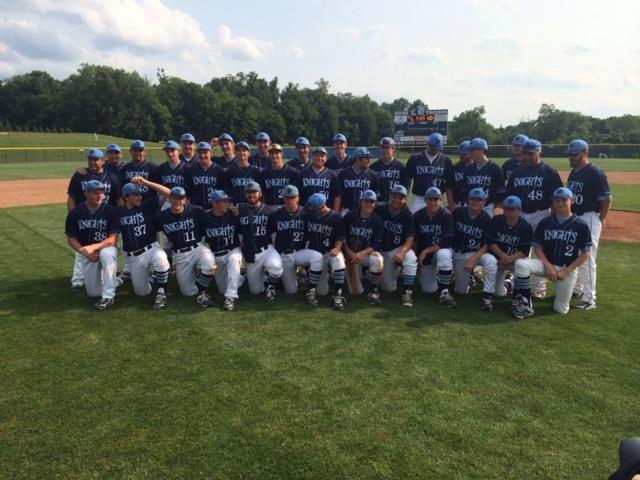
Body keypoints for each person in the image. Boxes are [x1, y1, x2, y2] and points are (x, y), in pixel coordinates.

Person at [511, 188, 592, 318]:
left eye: (563, 200)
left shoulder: (581, 225)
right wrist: (548, 266)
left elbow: (585, 254)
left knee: (560, 309)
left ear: (571, 201)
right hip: (546, 266)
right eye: (556, 200)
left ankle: (565, 294)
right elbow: (537, 247)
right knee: (521, 264)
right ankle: (524, 302)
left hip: (566, 270)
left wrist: (567, 271)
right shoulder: (545, 222)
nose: (560, 203)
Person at [507, 138, 563, 300]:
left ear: (539, 152)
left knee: (541, 251)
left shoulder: (549, 172)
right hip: (521, 214)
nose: (528, 156)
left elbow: (557, 198)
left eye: (531, 153)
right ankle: (518, 283)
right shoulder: (517, 172)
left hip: (541, 213)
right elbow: (510, 195)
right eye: (526, 153)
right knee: (519, 249)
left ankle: (539, 288)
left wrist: (553, 217)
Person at [565, 139, 612, 310]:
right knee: (576, 255)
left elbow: (606, 199)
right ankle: (577, 289)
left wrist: (601, 219)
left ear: (585, 153)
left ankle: (590, 298)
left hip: (589, 217)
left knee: (588, 257)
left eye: (574, 154)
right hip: (576, 218)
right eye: (569, 155)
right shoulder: (574, 172)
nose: (571, 158)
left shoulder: (595, 172)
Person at [67, 148, 122, 290]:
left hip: (107, 217)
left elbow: (118, 199)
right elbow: (71, 197)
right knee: (83, 247)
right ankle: (77, 279)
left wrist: (119, 218)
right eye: (90, 159)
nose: (92, 162)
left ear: (103, 161)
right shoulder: (80, 175)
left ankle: (109, 277)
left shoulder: (111, 177)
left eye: (96, 159)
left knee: (106, 249)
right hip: (84, 215)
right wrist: (73, 216)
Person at [155, 187, 217, 308]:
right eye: (174, 197)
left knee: (210, 263)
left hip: (197, 248)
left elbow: (213, 216)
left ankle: (202, 292)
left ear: (185, 200)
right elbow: (153, 229)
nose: (177, 201)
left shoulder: (195, 211)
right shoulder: (162, 216)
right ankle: (199, 280)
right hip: (179, 254)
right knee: (187, 292)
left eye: (180, 198)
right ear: (169, 198)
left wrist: (231, 209)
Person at [116, 178, 171, 309]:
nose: (139, 197)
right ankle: (153, 279)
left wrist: (145, 183)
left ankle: (161, 292)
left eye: (140, 194)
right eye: (135, 195)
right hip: (134, 256)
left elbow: (168, 193)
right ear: (125, 197)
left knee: (161, 259)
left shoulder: (147, 206)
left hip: (151, 248)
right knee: (141, 292)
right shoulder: (118, 212)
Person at [65, 180, 120, 310]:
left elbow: (112, 239)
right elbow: (71, 239)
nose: (100, 196)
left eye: (102, 193)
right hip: (88, 254)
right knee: (93, 293)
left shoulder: (111, 211)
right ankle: (115, 280)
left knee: (107, 254)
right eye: (96, 193)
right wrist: (84, 252)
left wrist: (92, 247)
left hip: (106, 248)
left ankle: (108, 297)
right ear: (86, 194)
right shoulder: (75, 213)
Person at [268, 185, 321, 294]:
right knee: (291, 291)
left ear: (298, 198)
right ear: (283, 199)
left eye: (292, 197)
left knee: (317, 257)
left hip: (301, 251)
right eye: (287, 198)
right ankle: (274, 279)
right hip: (285, 254)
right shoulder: (275, 215)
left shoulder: (306, 213)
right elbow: (269, 233)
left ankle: (311, 288)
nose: (289, 200)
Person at [452, 188, 498, 311]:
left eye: (479, 200)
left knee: (491, 261)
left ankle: (488, 294)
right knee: (460, 291)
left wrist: (473, 259)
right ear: (468, 200)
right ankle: (467, 277)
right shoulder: (457, 213)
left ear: (484, 202)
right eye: (473, 199)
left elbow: (487, 245)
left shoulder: (487, 219)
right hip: (460, 252)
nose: (476, 202)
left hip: (478, 253)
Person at [238, 182, 284, 301]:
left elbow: (278, 229)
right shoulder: (240, 209)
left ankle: (270, 286)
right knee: (255, 291)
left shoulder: (270, 210)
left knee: (276, 269)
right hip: (251, 253)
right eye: (248, 192)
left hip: (267, 249)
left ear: (260, 193)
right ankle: (263, 280)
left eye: (254, 192)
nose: (251, 195)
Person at [301, 193, 347, 309]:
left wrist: (337, 248)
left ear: (322, 206)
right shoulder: (309, 215)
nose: (311, 209)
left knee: (339, 260)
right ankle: (311, 290)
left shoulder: (336, 218)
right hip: (314, 253)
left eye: (313, 208)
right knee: (322, 291)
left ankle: (338, 294)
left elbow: (340, 237)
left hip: (329, 252)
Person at [414, 187, 456, 307]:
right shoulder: (418, 216)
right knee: (429, 290)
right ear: (425, 200)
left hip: (438, 252)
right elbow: (414, 240)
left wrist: (426, 251)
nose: (432, 202)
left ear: (440, 200)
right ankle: (442, 276)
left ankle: (445, 291)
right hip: (424, 257)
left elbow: (447, 241)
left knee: (444, 254)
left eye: (435, 199)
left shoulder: (446, 216)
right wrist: (417, 260)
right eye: (429, 199)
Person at [375, 184, 417, 307]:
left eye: (400, 197)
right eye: (394, 196)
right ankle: (397, 271)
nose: (396, 200)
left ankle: (407, 292)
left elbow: (410, 239)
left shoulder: (407, 214)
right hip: (382, 249)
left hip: (398, 248)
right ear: (390, 196)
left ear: (404, 199)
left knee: (411, 258)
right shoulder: (380, 209)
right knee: (388, 288)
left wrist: (402, 252)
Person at [487, 195, 533, 308]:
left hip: (516, 261)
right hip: (500, 259)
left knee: (521, 265)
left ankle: (515, 285)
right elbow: (491, 242)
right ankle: (508, 284)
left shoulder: (526, 227)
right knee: (498, 293)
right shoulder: (496, 220)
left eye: (513, 209)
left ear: (519, 210)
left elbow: (524, 251)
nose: (509, 212)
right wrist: (502, 257)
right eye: (507, 208)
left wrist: (508, 259)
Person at [201, 190, 244, 311]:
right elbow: (202, 241)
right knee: (221, 290)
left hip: (232, 250)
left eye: (228, 201)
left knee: (234, 259)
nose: (228, 204)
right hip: (216, 255)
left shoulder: (233, 215)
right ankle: (241, 276)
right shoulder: (205, 218)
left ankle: (230, 298)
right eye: (224, 201)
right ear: (214, 204)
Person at [343, 190, 385, 305]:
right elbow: (342, 238)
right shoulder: (350, 216)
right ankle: (348, 276)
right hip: (350, 255)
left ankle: (374, 290)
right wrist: (349, 252)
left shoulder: (377, 220)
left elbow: (377, 243)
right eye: (366, 201)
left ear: (375, 204)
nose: (369, 204)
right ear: (360, 202)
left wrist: (362, 253)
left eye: (372, 202)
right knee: (355, 292)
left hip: (366, 254)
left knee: (378, 259)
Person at [406, 132, 454, 213]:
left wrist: (450, 202)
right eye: (433, 147)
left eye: (437, 148)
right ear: (428, 144)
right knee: (413, 218)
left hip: (437, 198)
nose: (435, 149)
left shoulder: (446, 160)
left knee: (440, 221)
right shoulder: (415, 158)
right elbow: (407, 180)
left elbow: (449, 183)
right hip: (420, 197)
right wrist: (405, 198)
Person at [462, 138, 506, 216]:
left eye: (472, 150)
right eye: (469, 150)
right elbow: (464, 191)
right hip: (470, 207)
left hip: (487, 208)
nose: (469, 153)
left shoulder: (495, 169)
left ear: (482, 151)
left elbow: (501, 194)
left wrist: (497, 209)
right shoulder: (467, 169)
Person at [298, 146, 342, 211]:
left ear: (326, 158)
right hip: (307, 211)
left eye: (322, 156)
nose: (319, 158)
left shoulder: (332, 175)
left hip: (326, 212)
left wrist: (335, 214)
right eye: (317, 155)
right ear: (312, 157)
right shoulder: (303, 174)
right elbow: (297, 195)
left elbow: (337, 196)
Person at [338, 147, 379, 215]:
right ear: (358, 159)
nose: (369, 161)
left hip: (365, 211)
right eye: (367, 158)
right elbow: (338, 195)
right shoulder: (343, 174)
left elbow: (375, 197)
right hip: (346, 210)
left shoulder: (373, 175)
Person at [369, 137, 410, 204]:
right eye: (382, 147)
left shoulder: (401, 167)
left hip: (395, 203)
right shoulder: (373, 167)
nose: (384, 150)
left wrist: (403, 197)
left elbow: (406, 184)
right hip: (378, 203)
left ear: (393, 149)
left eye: (387, 147)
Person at [183, 141, 224, 208]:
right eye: (200, 153)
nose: (202, 155)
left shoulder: (219, 170)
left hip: (214, 208)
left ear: (211, 153)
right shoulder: (191, 171)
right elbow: (187, 191)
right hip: (195, 208)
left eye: (205, 152)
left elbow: (223, 191)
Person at [262, 143, 299, 212]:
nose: (274, 155)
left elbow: (297, 194)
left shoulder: (292, 172)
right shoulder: (264, 172)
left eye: (277, 153)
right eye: (272, 153)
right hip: (269, 207)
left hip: (286, 207)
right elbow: (262, 193)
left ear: (281, 154)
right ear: (269, 155)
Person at [450, 140, 472, 210]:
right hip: (457, 204)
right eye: (460, 153)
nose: (461, 156)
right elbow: (449, 187)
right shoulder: (454, 168)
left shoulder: (477, 168)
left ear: (471, 152)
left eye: (464, 154)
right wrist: (451, 204)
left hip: (474, 205)